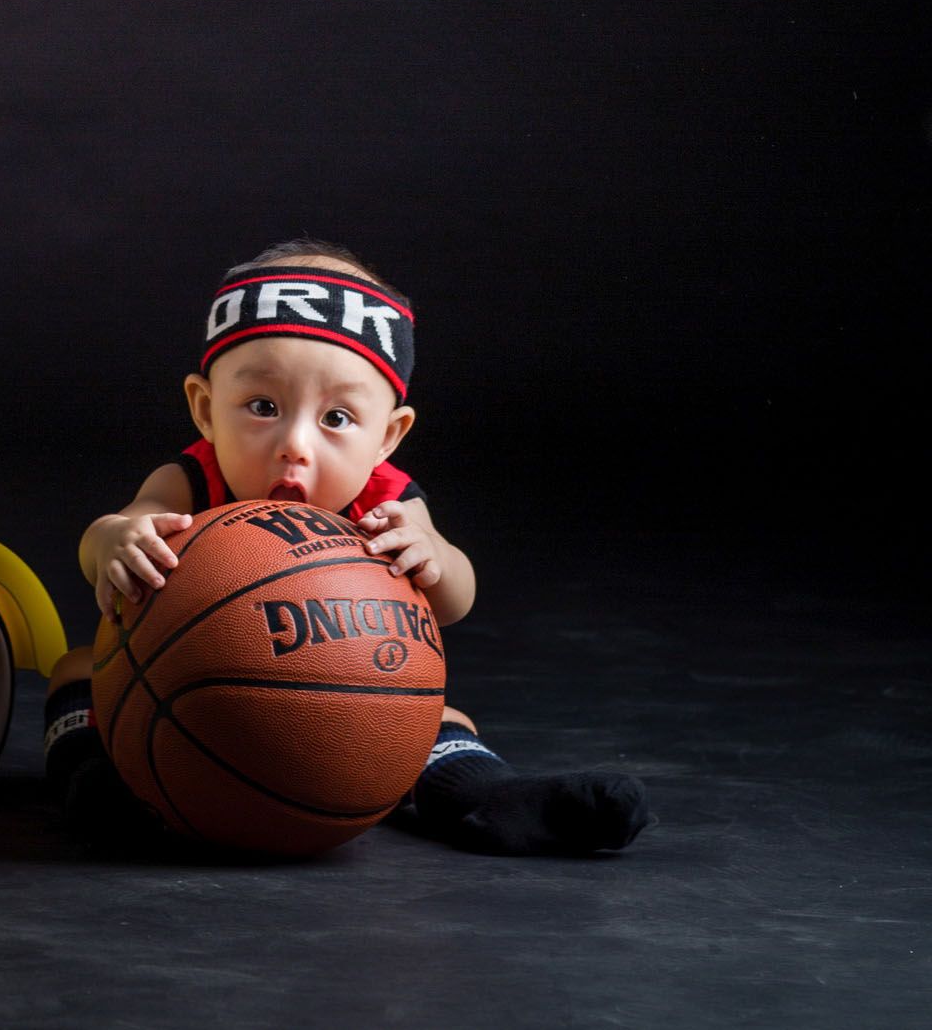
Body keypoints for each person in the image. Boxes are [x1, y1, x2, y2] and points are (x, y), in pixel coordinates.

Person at [42, 241, 652, 856]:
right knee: (80, 670)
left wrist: (432, 554)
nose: (295, 444)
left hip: (345, 717)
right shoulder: (191, 482)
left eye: (336, 418)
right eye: (263, 407)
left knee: (428, 716)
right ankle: (100, 783)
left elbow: (456, 598)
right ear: (205, 409)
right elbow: (111, 536)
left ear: (388, 436)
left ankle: (489, 795)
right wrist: (115, 536)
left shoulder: (386, 500)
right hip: (194, 705)